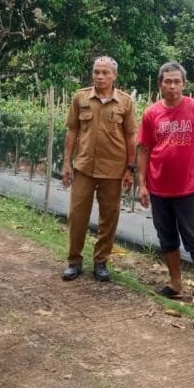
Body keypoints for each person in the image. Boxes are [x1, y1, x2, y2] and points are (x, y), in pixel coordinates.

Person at [137, 62, 194, 309]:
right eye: (167, 81)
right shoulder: (151, 114)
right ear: (160, 84)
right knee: (167, 237)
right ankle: (175, 284)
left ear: (184, 83)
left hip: (186, 189)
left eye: (177, 81)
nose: (172, 86)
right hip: (158, 188)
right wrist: (142, 183)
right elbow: (144, 149)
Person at [61, 56, 137, 282]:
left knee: (109, 218)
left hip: (113, 171)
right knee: (77, 216)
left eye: (105, 72)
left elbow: (131, 136)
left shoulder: (125, 102)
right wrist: (66, 163)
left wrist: (129, 169)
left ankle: (101, 261)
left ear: (115, 76)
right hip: (84, 167)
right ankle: (74, 261)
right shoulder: (80, 97)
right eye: (96, 72)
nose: (100, 76)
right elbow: (72, 131)